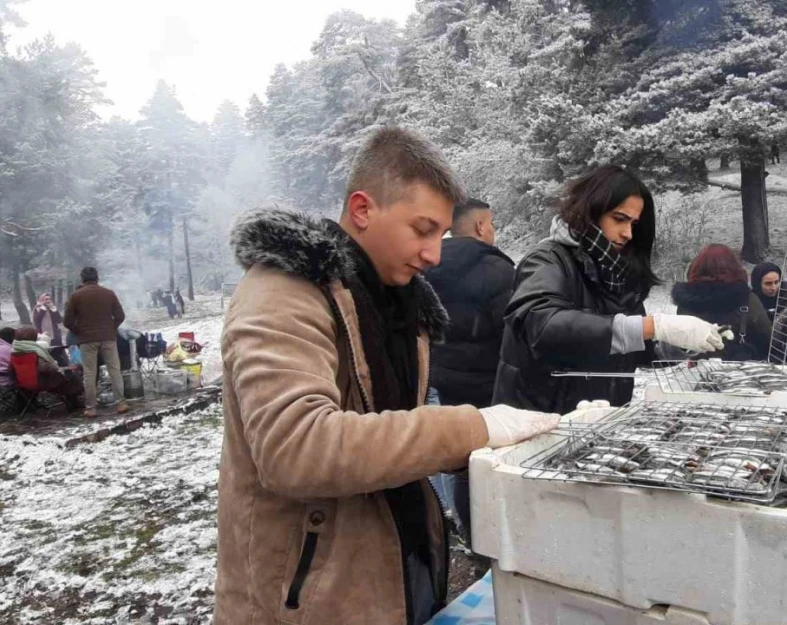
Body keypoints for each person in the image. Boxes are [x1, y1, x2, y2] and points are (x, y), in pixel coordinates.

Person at [215, 127, 560, 625]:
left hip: (393, 570)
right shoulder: (284, 289)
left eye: (440, 235)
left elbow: (395, 432)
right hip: (306, 597)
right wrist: (472, 428)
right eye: (421, 229)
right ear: (362, 210)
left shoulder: (403, 303)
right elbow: (296, 448)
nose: (434, 255)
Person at [493, 164, 724, 414]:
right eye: (619, 219)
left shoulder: (618, 271)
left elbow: (631, 345)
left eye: (634, 225)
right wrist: (654, 325)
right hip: (541, 419)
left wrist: (676, 341)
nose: (627, 234)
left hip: (600, 417)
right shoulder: (547, 260)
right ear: (590, 210)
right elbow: (542, 325)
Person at [424, 198, 514, 408]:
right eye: (491, 223)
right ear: (480, 226)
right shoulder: (496, 269)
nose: (493, 229)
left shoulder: (426, 265)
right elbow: (512, 333)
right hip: (488, 386)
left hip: (438, 381)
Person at [670, 244, 772, 361]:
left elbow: (680, 342)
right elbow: (767, 340)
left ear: (696, 268)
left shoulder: (686, 301)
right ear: (735, 268)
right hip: (741, 371)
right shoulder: (748, 299)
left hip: (697, 369)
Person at [63, 267, 128, 417]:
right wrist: (111, 328)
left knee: (90, 373)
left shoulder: (75, 296)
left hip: (87, 340)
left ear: (82, 279)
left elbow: (67, 321)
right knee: (115, 371)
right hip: (108, 338)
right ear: (97, 278)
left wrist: (79, 330)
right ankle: (121, 403)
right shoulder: (108, 293)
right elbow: (120, 315)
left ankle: (91, 408)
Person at [11, 326, 84, 410]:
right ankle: (73, 403)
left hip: (22, 383)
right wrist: (57, 367)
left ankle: (28, 405)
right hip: (41, 382)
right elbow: (45, 368)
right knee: (69, 376)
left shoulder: (15, 351)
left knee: (65, 374)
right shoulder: (34, 351)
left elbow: (11, 369)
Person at [33, 293, 68, 366]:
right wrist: (43, 310)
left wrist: (54, 310)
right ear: (42, 300)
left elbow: (59, 320)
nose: (48, 301)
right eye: (46, 299)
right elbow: (36, 321)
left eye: (49, 299)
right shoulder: (37, 308)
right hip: (43, 335)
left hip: (55, 334)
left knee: (59, 352)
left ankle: (65, 366)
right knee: (46, 352)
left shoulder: (52, 308)